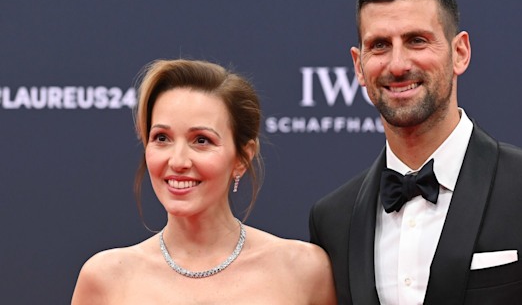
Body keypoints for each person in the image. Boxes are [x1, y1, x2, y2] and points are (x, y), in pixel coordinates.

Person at [308, 0, 522, 305]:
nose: (397, 64)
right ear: (358, 66)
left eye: (416, 40)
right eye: (380, 45)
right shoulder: (333, 219)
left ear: (460, 52)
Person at [72, 59, 336, 305]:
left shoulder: (303, 271)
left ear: (242, 158)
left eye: (201, 140)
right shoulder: (105, 279)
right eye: (162, 138)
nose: (178, 161)